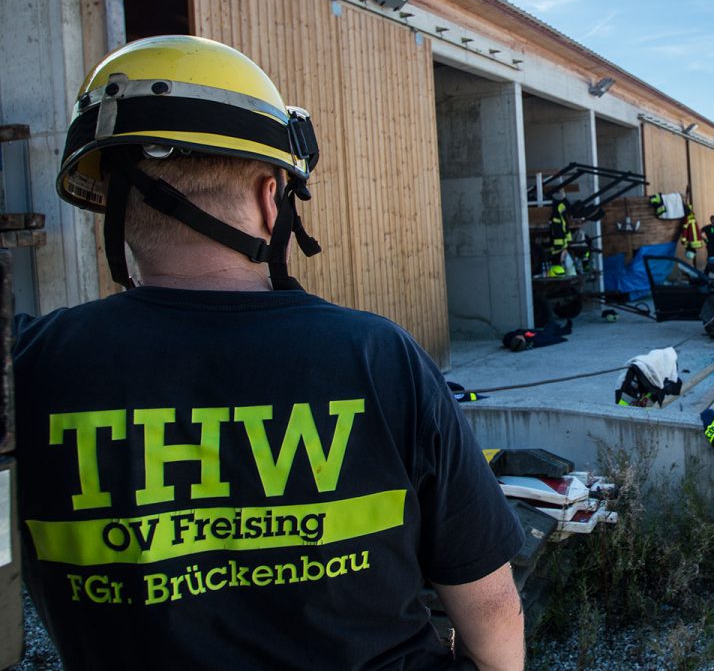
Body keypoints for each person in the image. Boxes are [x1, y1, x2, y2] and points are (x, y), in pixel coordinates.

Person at [14, 36, 525, 670]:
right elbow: (491, 605)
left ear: (114, 213)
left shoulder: (32, 364)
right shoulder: (378, 356)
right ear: (268, 197)